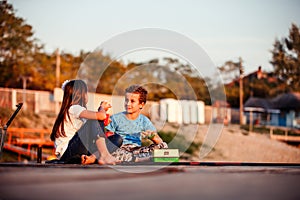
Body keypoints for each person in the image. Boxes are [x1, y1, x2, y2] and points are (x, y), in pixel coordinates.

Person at [50, 79, 122, 165]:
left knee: (117, 139)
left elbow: (93, 127)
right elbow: (100, 116)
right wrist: (102, 108)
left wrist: (102, 123)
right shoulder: (74, 108)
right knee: (95, 118)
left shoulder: (74, 110)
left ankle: (92, 158)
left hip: (78, 152)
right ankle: (104, 155)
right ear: (81, 94)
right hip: (68, 154)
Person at [106, 85, 168, 162]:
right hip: (120, 149)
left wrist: (152, 136)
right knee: (113, 151)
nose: (128, 104)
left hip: (136, 150)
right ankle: (139, 159)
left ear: (141, 104)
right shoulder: (115, 118)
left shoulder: (144, 121)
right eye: (126, 100)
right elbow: (108, 139)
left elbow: (159, 141)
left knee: (163, 146)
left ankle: (135, 158)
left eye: (132, 101)